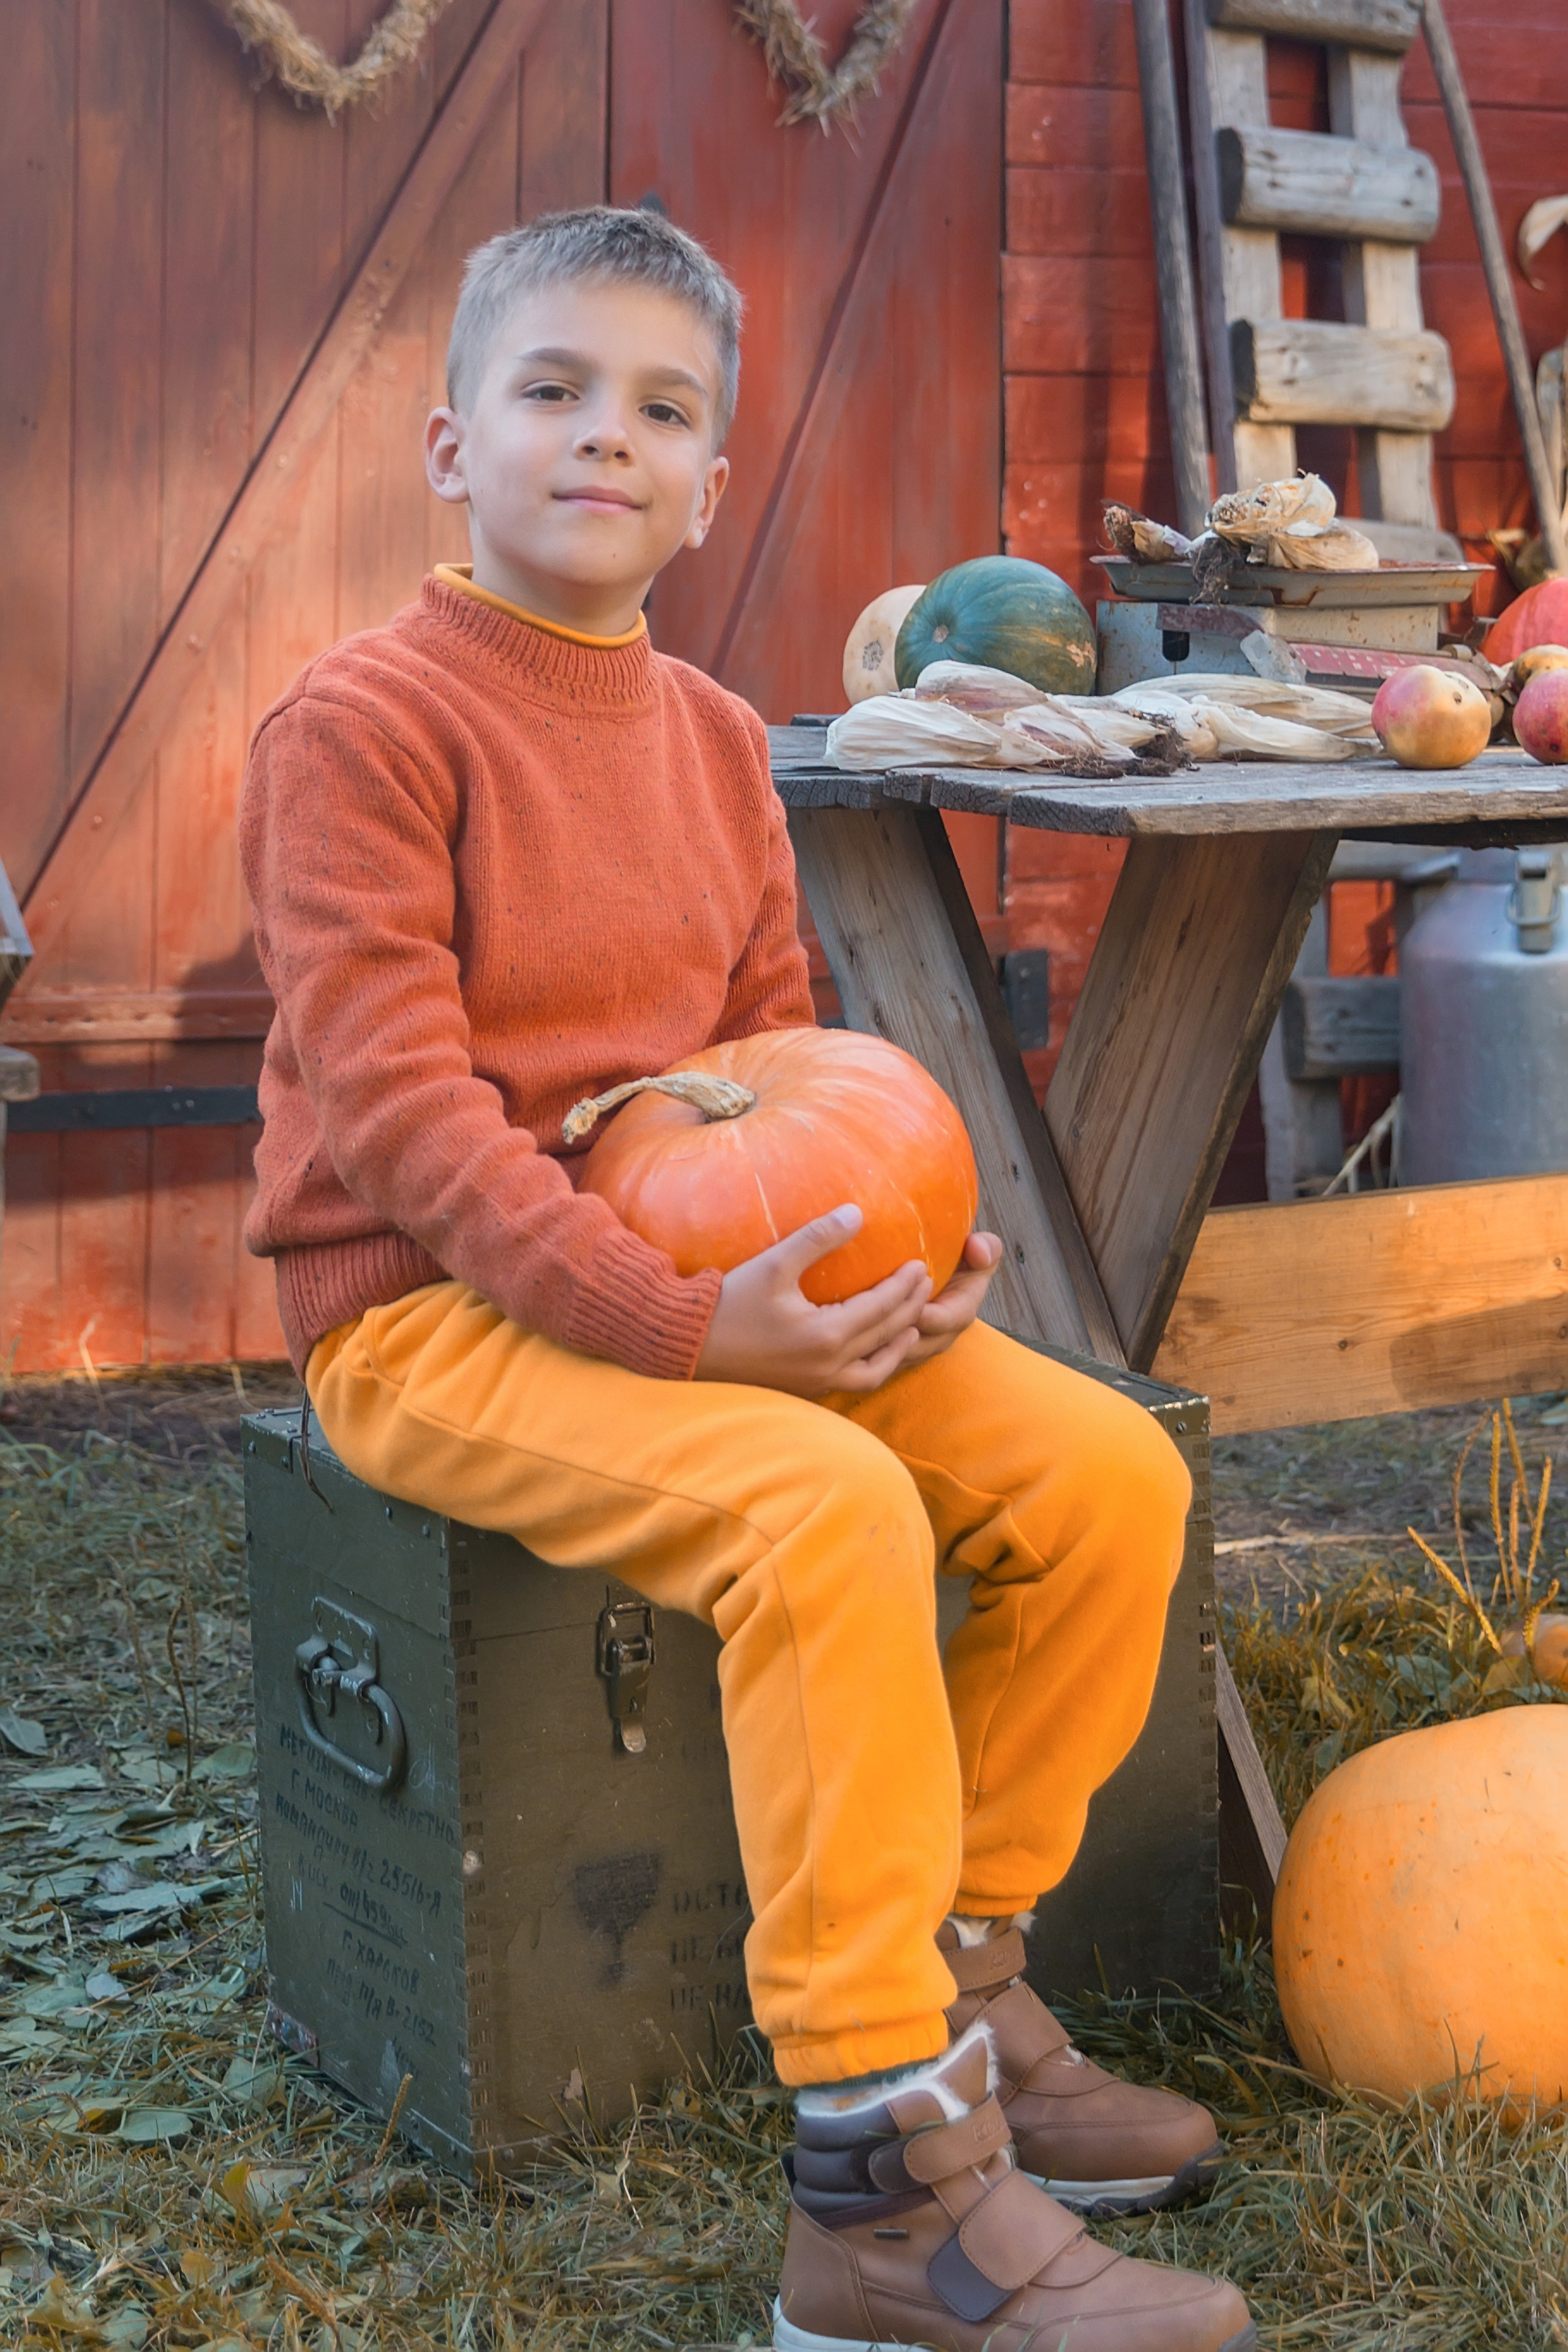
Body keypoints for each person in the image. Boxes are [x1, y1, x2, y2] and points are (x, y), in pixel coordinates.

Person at [239, 205, 1255, 2352]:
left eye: (663, 410)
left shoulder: (713, 739)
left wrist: (902, 1264)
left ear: (708, 492)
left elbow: (792, 1056)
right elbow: (406, 1123)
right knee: (820, 1510)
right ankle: (883, 2198)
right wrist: (693, 1330)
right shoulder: (361, 725)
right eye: (555, 391)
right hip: (428, 1309)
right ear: (450, 447)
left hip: (715, 1280)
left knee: (1102, 1475)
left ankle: (971, 2001)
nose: (606, 438)